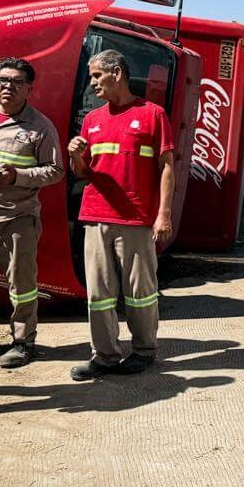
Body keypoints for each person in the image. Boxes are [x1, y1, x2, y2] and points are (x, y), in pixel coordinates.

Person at [66, 49, 175, 379]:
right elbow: (85, 173)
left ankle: (144, 350)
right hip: (96, 216)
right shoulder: (92, 120)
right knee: (99, 293)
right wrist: (76, 157)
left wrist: (163, 214)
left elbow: (167, 166)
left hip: (136, 219)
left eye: (97, 74)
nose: (92, 82)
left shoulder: (153, 114)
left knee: (140, 293)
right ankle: (105, 355)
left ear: (117, 73)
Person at [0, 57, 64, 368]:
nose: (8, 86)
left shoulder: (41, 127)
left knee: (21, 283)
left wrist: (17, 177)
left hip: (17, 216)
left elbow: (56, 170)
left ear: (29, 89)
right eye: (3, 80)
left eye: (17, 82)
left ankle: (23, 342)